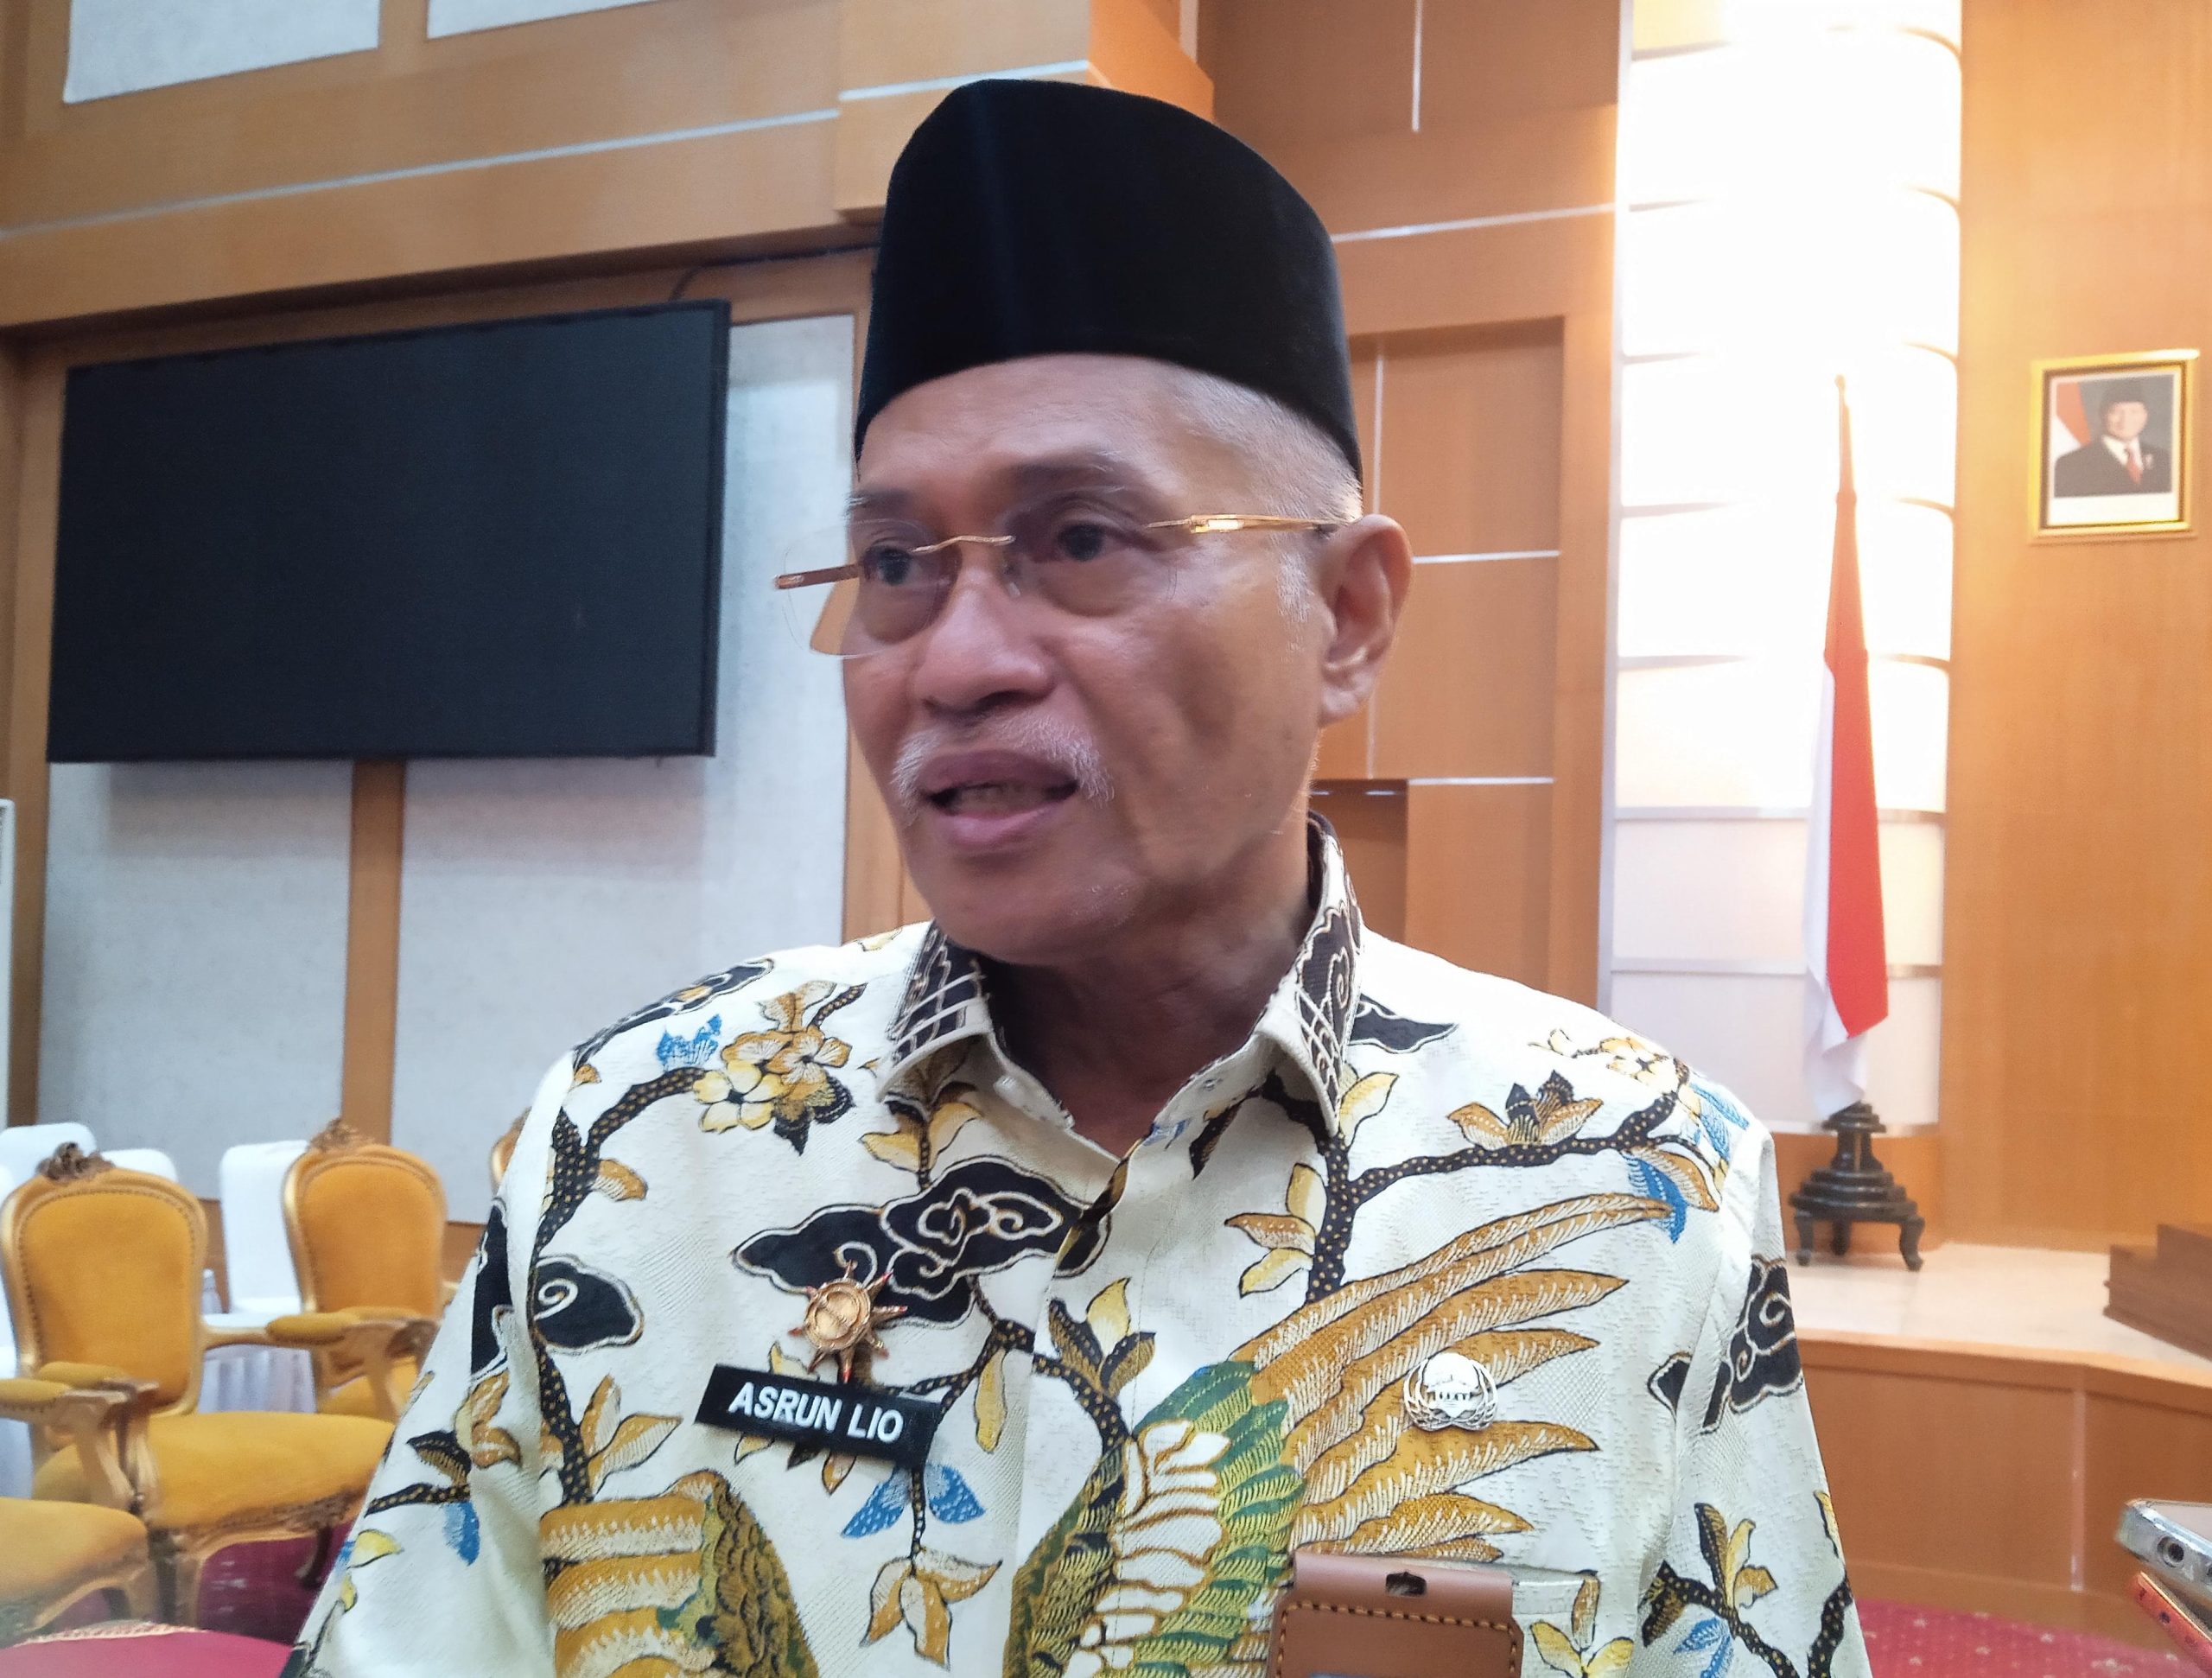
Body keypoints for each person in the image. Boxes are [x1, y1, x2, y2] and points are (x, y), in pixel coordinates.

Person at [289, 79, 1868, 1678]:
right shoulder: (643, 1134)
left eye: (1084, 539)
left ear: (1347, 615)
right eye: (895, 566)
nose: (957, 660)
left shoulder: (1634, 1172)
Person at [2054, 378, 2171, 495]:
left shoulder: (2163, 459)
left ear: (2145, 415)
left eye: (2134, 411)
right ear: (2102, 415)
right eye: (2116, 412)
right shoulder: (2073, 464)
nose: (2125, 419)